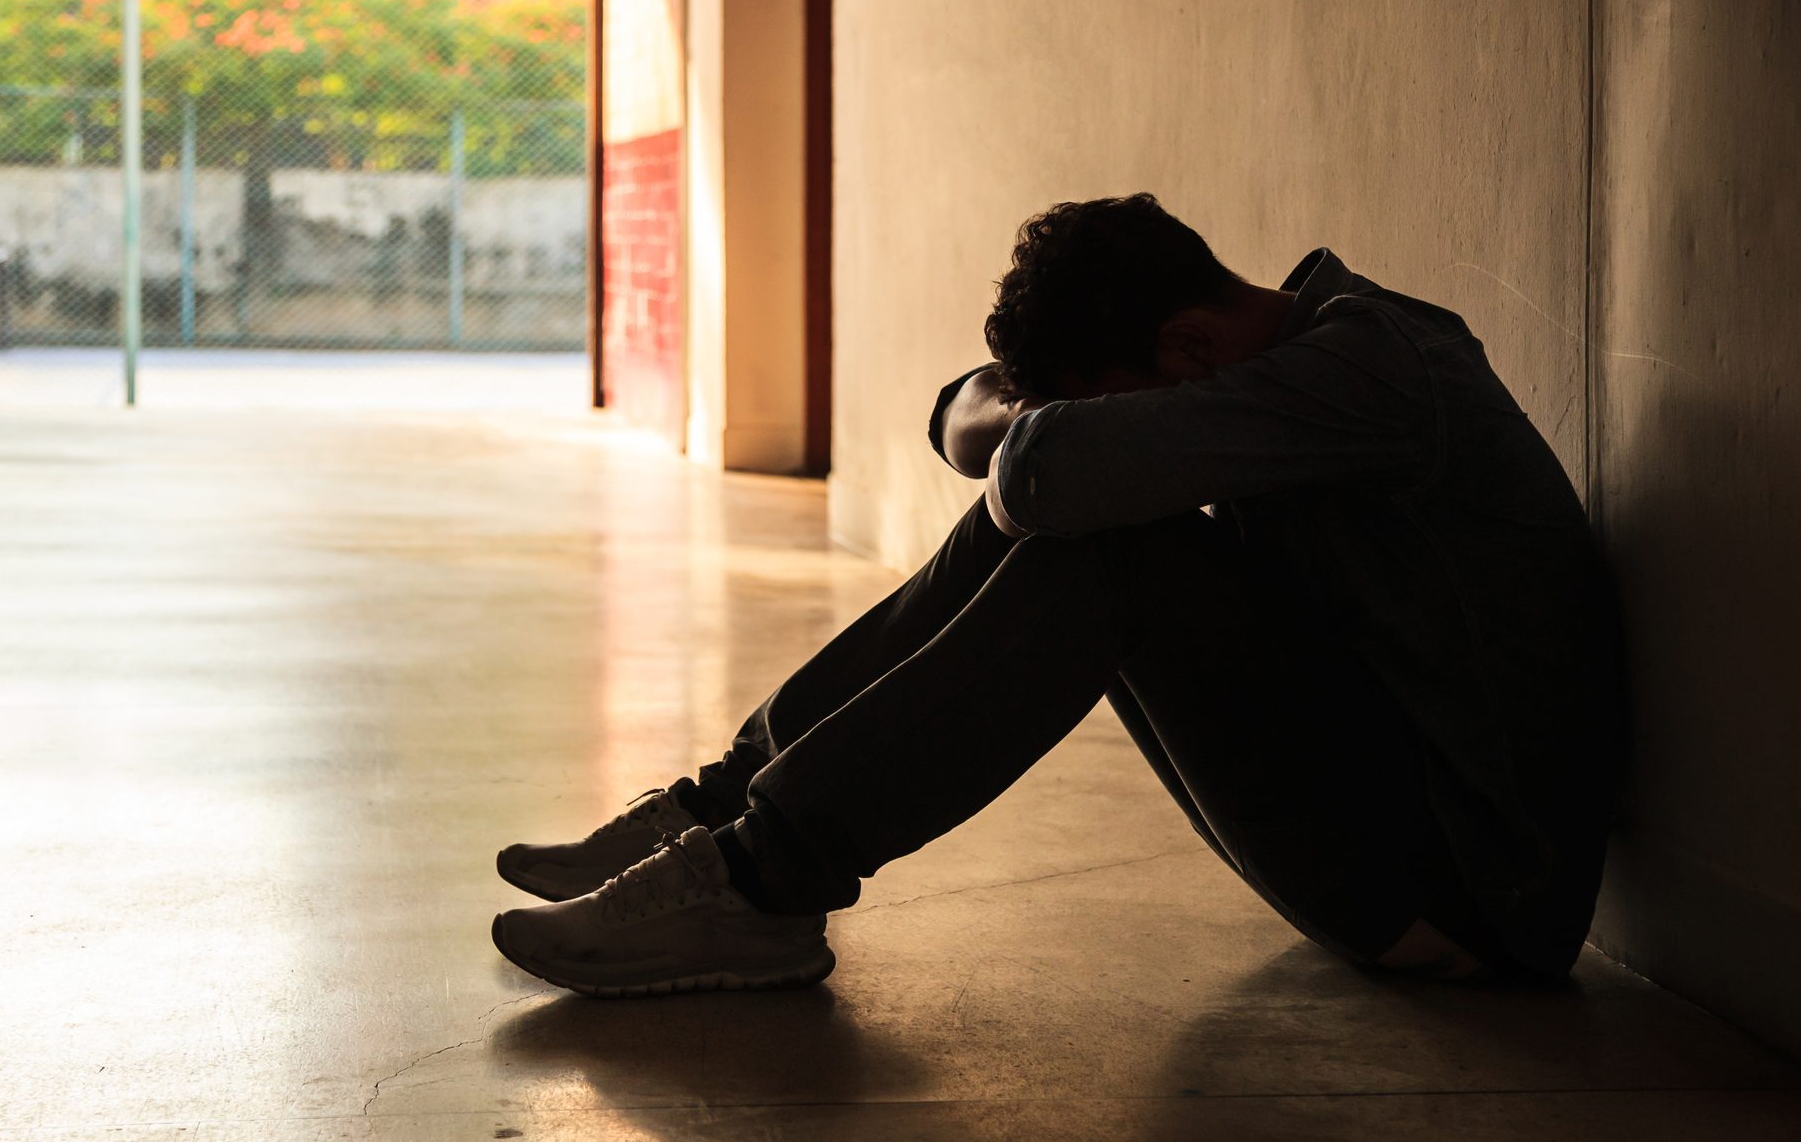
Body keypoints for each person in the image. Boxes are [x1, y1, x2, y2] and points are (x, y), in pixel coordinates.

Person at [490, 193, 1626, 997]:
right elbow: (966, 413)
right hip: (1391, 830)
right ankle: (727, 814)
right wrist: (1028, 433)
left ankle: (758, 882)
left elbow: (1037, 464)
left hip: (1476, 901)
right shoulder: (1265, 358)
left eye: (1110, 405)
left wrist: (1035, 441)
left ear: (1185, 348)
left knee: (1110, 543)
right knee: (1083, 515)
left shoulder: (1369, 376)